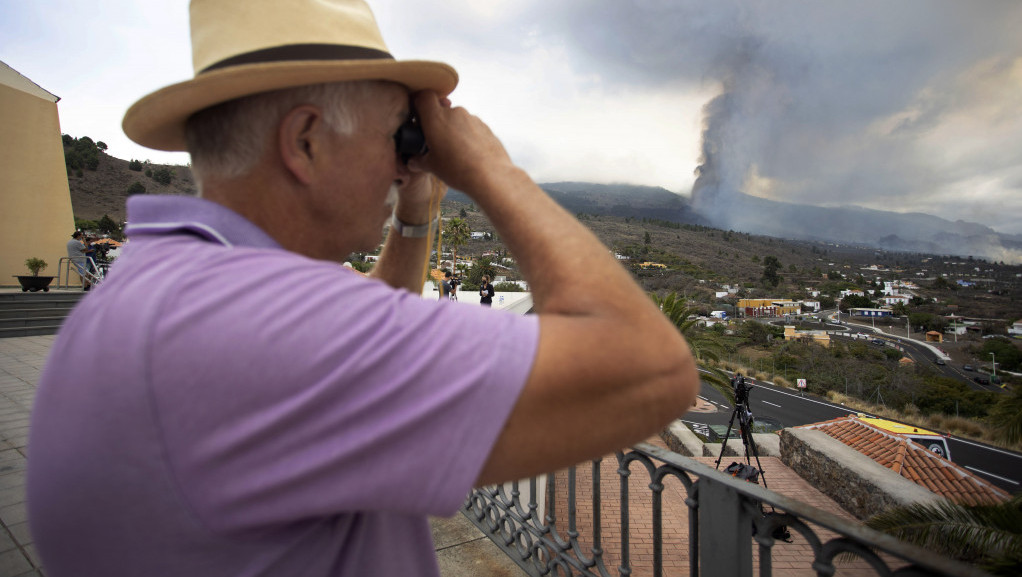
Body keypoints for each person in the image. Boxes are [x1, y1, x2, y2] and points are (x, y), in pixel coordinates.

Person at [27, 1, 698, 576]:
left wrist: (416, 215)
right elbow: (652, 370)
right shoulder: (260, 332)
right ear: (308, 140)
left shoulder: (158, 292)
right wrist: (492, 169)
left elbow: (363, 327)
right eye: (399, 134)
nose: (408, 160)